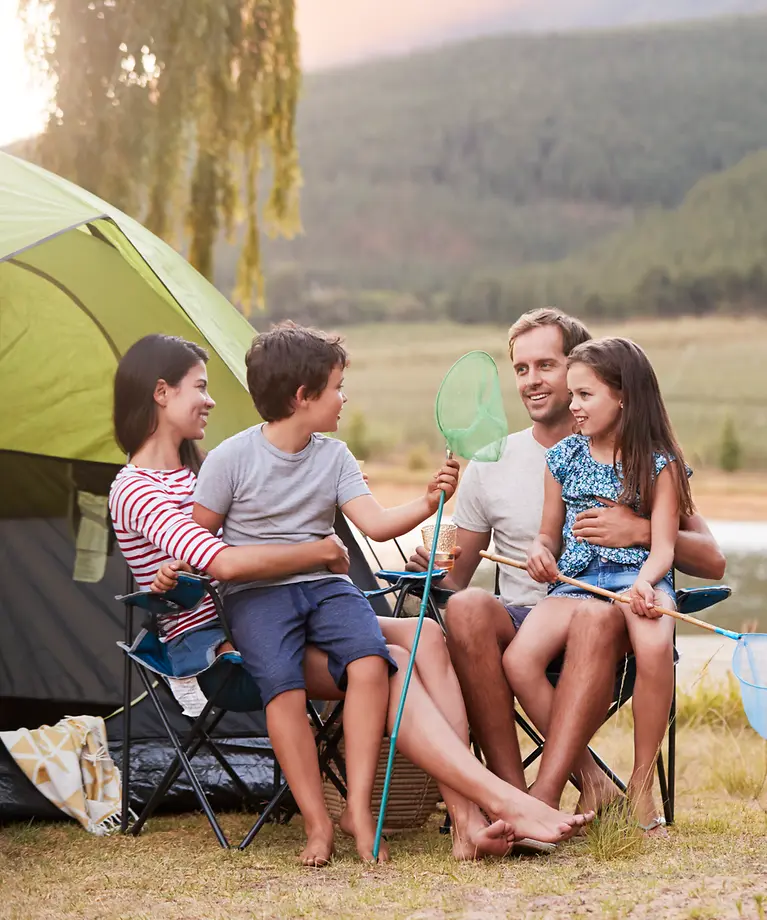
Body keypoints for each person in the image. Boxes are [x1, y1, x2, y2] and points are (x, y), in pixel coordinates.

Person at [109, 332, 591, 868]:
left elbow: (363, 524)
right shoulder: (176, 476)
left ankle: (462, 820)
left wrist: (431, 500)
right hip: (221, 638)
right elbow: (215, 558)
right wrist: (313, 551)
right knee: (395, 663)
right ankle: (476, 804)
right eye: (199, 387)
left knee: (425, 637)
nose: (211, 398)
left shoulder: (229, 468)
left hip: (312, 599)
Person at [408, 308, 726, 816]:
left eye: (546, 366)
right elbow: (453, 577)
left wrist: (639, 530)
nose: (532, 381)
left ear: (582, 369)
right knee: (467, 607)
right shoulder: (493, 461)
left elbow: (712, 561)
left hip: (609, 612)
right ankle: (514, 794)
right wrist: (426, 562)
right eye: (521, 369)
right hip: (532, 616)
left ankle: (550, 790)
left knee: (594, 617)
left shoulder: (643, 457)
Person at [192, 322, 462, 865]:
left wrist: (430, 501)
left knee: (371, 664)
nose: (344, 398)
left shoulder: (334, 457)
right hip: (257, 596)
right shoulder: (230, 459)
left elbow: (377, 524)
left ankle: (357, 808)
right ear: (303, 397)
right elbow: (200, 535)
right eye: (337, 387)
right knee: (284, 691)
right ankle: (317, 823)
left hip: (327, 588)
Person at [505, 336, 694, 835]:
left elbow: (664, 548)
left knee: (654, 647)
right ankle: (586, 771)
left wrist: (648, 584)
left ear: (623, 396)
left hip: (636, 577)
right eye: (573, 395)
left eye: (585, 395)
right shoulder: (564, 457)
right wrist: (542, 552)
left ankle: (640, 785)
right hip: (575, 582)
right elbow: (549, 531)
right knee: (519, 660)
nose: (574, 406)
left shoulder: (659, 462)